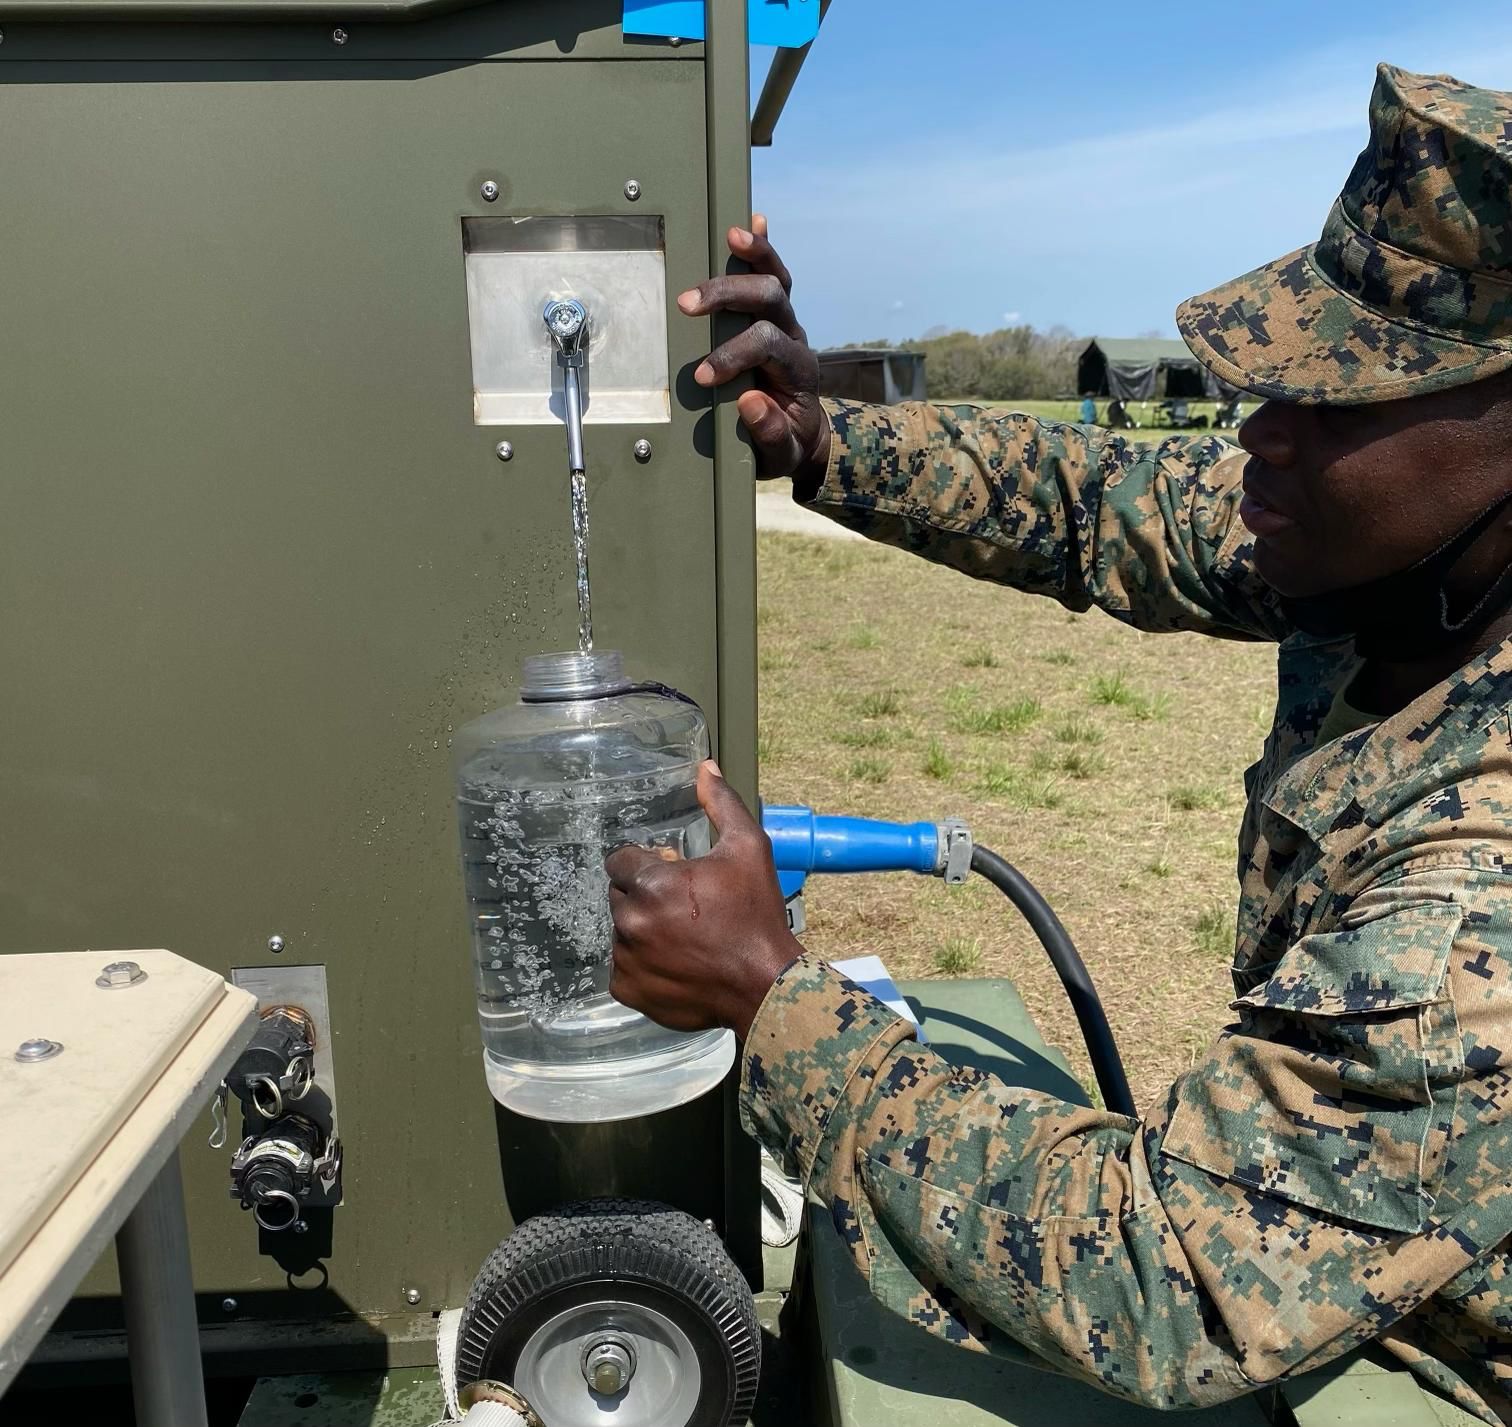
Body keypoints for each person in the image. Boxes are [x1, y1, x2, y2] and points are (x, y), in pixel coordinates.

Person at [606, 65, 1512, 1421]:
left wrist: (771, 998)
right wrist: (825, 438)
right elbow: (1101, 500)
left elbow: (1174, 1282)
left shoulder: (1475, 903)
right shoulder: (1402, 551)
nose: (1260, 426)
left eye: (1337, 397)